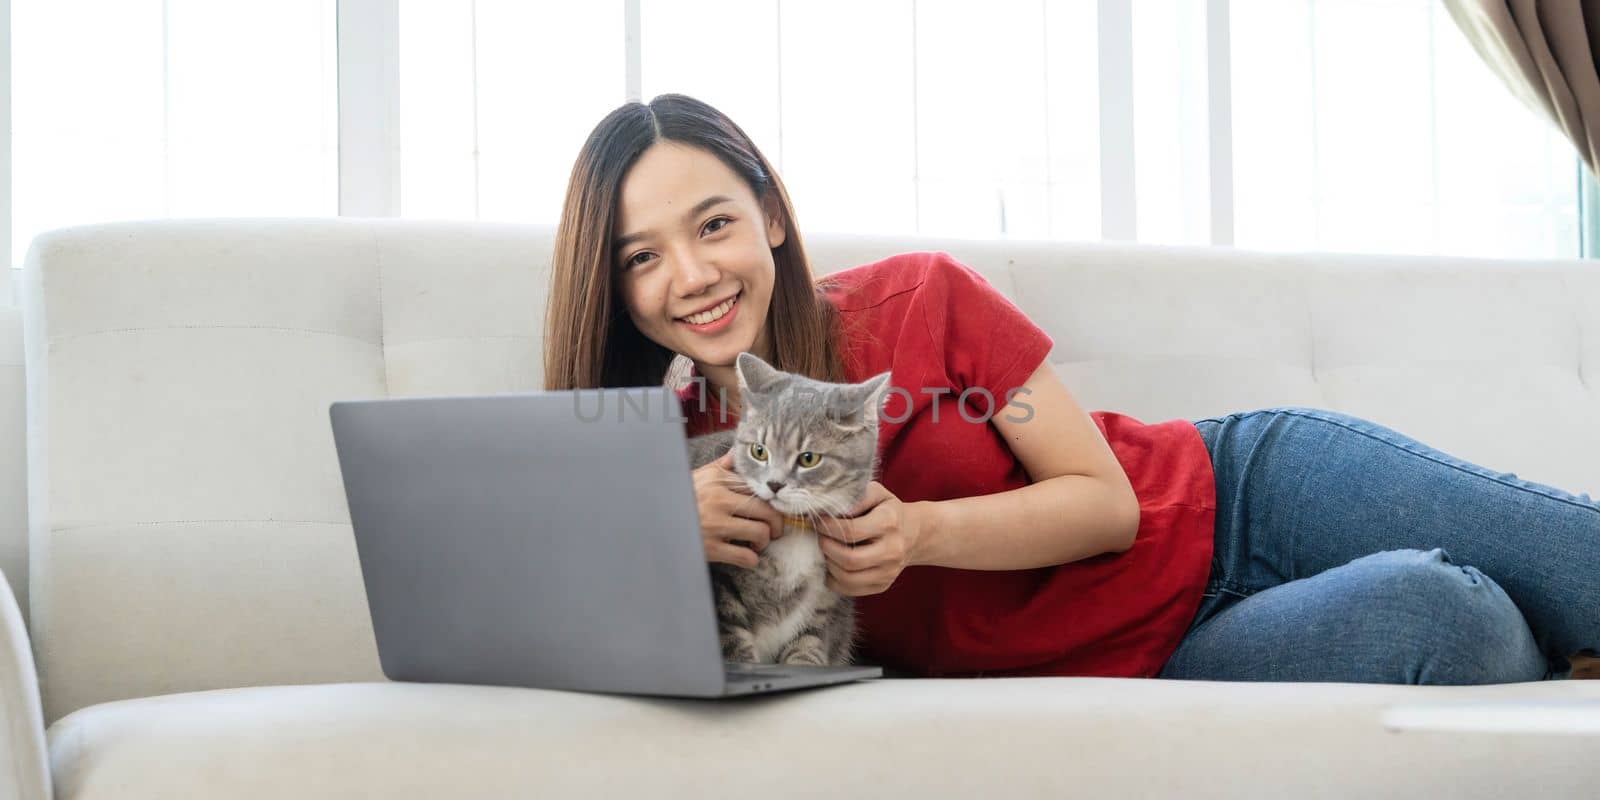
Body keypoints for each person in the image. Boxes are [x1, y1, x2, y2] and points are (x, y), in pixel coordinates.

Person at [542, 93, 1599, 684]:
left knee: (1580, 562)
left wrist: (916, 533)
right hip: (1171, 656)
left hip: (1237, 494)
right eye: (640, 256)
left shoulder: (919, 297)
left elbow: (1105, 504)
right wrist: (654, 532)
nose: (690, 274)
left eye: (713, 222)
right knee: (1443, 616)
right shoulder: (659, 463)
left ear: (770, 214)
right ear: (613, 287)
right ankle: (1552, 647)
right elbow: (601, 647)